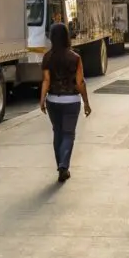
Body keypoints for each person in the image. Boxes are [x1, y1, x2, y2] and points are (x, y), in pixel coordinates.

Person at [39, 23, 92, 183]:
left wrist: (42, 100)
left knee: (58, 132)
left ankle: (61, 166)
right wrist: (86, 102)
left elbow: (46, 80)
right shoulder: (75, 58)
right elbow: (80, 82)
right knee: (68, 134)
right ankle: (63, 166)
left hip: (53, 100)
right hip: (71, 101)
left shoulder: (47, 57)